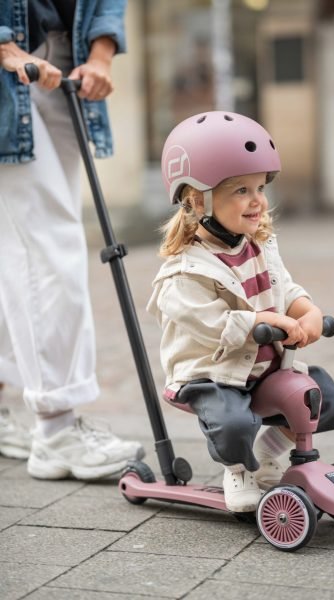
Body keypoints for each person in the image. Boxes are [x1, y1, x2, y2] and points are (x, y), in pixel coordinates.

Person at [147, 111, 334, 512]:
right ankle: (239, 468)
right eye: (241, 190)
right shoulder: (182, 271)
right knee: (234, 422)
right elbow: (210, 325)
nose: (257, 200)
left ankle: (270, 454)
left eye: (260, 187)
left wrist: (305, 310)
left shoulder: (259, 245)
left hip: (262, 367)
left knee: (320, 398)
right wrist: (260, 321)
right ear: (196, 199)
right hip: (212, 373)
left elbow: (284, 288)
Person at [0, 0, 144, 479]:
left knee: (21, 248)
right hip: (12, 65)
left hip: (63, 64)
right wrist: (4, 44)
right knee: (47, 245)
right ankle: (56, 429)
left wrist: (101, 54)